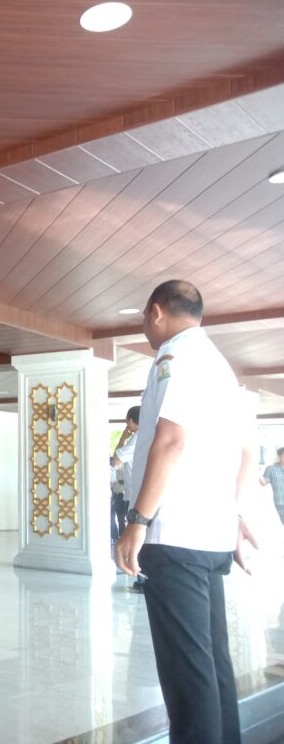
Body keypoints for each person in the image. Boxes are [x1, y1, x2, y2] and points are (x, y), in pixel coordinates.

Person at [116, 280, 257, 744]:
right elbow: (245, 454)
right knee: (211, 663)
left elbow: (171, 441)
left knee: (186, 674)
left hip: (174, 535)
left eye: (144, 317)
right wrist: (234, 518)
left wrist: (138, 520)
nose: (145, 325)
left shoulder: (174, 356)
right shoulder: (219, 365)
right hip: (210, 536)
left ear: (156, 311)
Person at [111, 406, 140, 540]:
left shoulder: (137, 438)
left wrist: (122, 437)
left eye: (127, 421)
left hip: (134, 496)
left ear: (131, 420)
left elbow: (116, 460)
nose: (127, 424)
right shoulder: (144, 436)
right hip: (135, 493)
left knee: (133, 534)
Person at [259, 447, 284, 525]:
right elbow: (263, 483)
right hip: (280, 503)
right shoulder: (271, 468)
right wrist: (258, 473)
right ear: (279, 456)